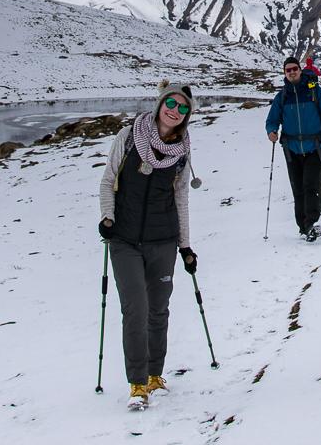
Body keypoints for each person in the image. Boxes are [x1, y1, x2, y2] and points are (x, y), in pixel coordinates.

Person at [99, 81, 201, 410]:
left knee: (158, 309)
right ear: (159, 104)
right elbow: (107, 179)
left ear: (187, 115)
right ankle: (138, 383)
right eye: (171, 103)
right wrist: (108, 218)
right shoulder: (129, 137)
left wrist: (185, 246)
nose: (175, 110)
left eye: (183, 107)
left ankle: (156, 374)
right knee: (135, 309)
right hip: (125, 239)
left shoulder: (181, 152)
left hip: (163, 240)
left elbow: (181, 198)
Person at [266, 56, 321, 242]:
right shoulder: (282, 96)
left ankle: (311, 223)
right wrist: (271, 131)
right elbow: (272, 119)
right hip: (291, 149)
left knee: (310, 184)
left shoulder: (314, 91)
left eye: (294, 69)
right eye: (288, 70)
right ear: (285, 73)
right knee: (297, 188)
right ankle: (303, 226)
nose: (291, 72)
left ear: (300, 70)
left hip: (315, 146)